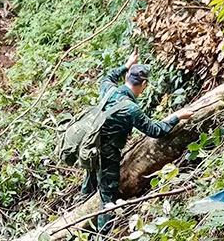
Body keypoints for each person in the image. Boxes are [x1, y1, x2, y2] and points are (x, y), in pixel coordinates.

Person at [83, 50, 195, 230]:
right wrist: (177, 116)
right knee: (108, 196)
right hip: (107, 154)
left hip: (90, 145)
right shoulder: (131, 109)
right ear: (143, 84)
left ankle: (83, 200)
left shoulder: (108, 89)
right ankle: (102, 238)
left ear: (127, 77)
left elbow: (108, 76)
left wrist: (126, 65)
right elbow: (155, 130)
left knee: (91, 176)